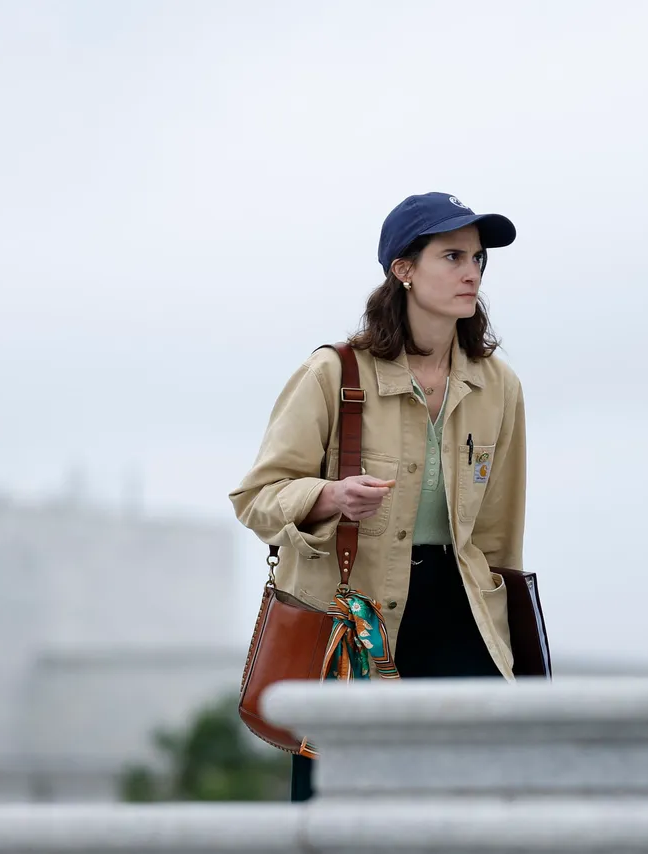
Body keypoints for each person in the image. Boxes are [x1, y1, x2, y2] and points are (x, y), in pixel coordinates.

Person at [228, 192, 527, 802]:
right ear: (404, 270)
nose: (472, 271)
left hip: (462, 612)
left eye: (478, 258)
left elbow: (498, 533)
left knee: (476, 801)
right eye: (452, 255)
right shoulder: (333, 374)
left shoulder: (499, 385)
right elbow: (257, 496)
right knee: (339, 802)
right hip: (352, 615)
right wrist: (328, 497)